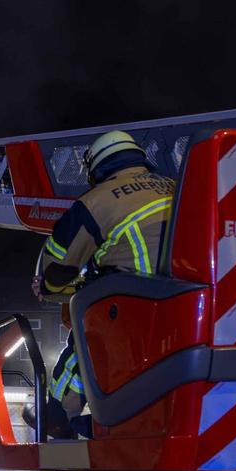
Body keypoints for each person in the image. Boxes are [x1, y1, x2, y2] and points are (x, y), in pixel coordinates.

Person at [32, 130, 176, 438]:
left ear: (96, 168)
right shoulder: (178, 188)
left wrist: (47, 288)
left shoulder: (96, 201)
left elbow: (58, 264)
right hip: (185, 303)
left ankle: (58, 411)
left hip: (134, 302)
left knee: (85, 337)